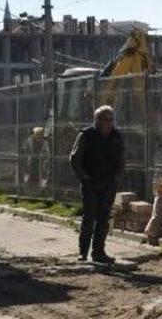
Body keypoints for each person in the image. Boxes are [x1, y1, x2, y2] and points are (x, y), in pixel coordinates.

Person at [69, 105, 125, 263]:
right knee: (89, 218)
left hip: (108, 183)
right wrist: (84, 177)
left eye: (110, 120)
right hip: (91, 183)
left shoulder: (116, 136)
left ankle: (98, 252)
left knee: (104, 218)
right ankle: (83, 252)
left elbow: (121, 158)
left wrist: (115, 175)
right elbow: (75, 158)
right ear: (97, 121)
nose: (108, 123)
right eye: (104, 120)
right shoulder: (86, 135)